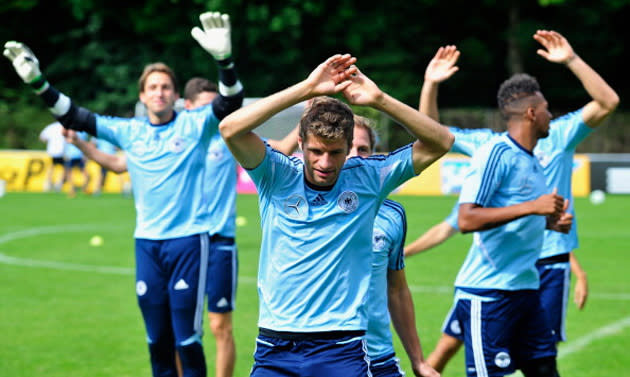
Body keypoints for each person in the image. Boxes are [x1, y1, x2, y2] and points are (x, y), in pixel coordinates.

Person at [4, 10, 244, 377]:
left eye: (166, 87)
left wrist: (224, 62)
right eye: (152, 88)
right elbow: (75, 117)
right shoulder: (129, 132)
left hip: (188, 244)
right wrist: (38, 82)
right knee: (157, 340)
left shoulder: (195, 125)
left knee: (187, 340)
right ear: (142, 97)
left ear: (176, 95)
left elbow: (230, 103)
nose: (159, 92)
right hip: (146, 244)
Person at [218, 53, 454, 376]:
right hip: (275, 348)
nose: (325, 164)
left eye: (335, 153)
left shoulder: (368, 177)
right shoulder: (275, 175)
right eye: (315, 151)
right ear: (300, 143)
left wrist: (379, 99)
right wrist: (306, 88)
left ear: (348, 147)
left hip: (341, 349)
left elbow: (442, 141)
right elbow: (229, 128)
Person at [405, 31, 619, 375]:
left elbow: (608, 102)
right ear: (531, 112)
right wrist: (430, 84)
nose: (552, 113)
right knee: (454, 345)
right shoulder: (490, 148)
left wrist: (570, 60)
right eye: (546, 108)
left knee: (540, 361)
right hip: (495, 275)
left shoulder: (557, 137)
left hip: (543, 264)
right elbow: (432, 133)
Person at [66, 75, 299, 377]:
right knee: (179, 330)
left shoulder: (233, 138)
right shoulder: (183, 135)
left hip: (219, 243)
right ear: (188, 107)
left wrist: (303, 121)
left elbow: (279, 147)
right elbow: (119, 164)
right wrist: (81, 144)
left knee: (218, 326)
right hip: (184, 241)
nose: (217, 114)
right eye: (207, 107)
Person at [349, 115, 438, 377]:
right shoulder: (312, 206)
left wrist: (418, 360)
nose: (356, 156)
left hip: (379, 357)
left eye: (363, 149)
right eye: (348, 147)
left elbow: (397, 289)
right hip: (328, 356)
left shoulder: (393, 215)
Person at [38, 121, 66, 191]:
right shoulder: (65, 126)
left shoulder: (51, 127)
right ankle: (58, 184)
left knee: (51, 167)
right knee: (64, 168)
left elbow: (42, 137)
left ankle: (48, 183)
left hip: (51, 151)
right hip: (62, 150)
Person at [62, 130, 90, 197]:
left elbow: (66, 142)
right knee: (84, 173)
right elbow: (84, 143)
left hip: (71, 155)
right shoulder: (83, 131)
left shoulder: (69, 130)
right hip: (78, 154)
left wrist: (65, 153)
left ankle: (73, 189)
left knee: (69, 173)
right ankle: (83, 187)